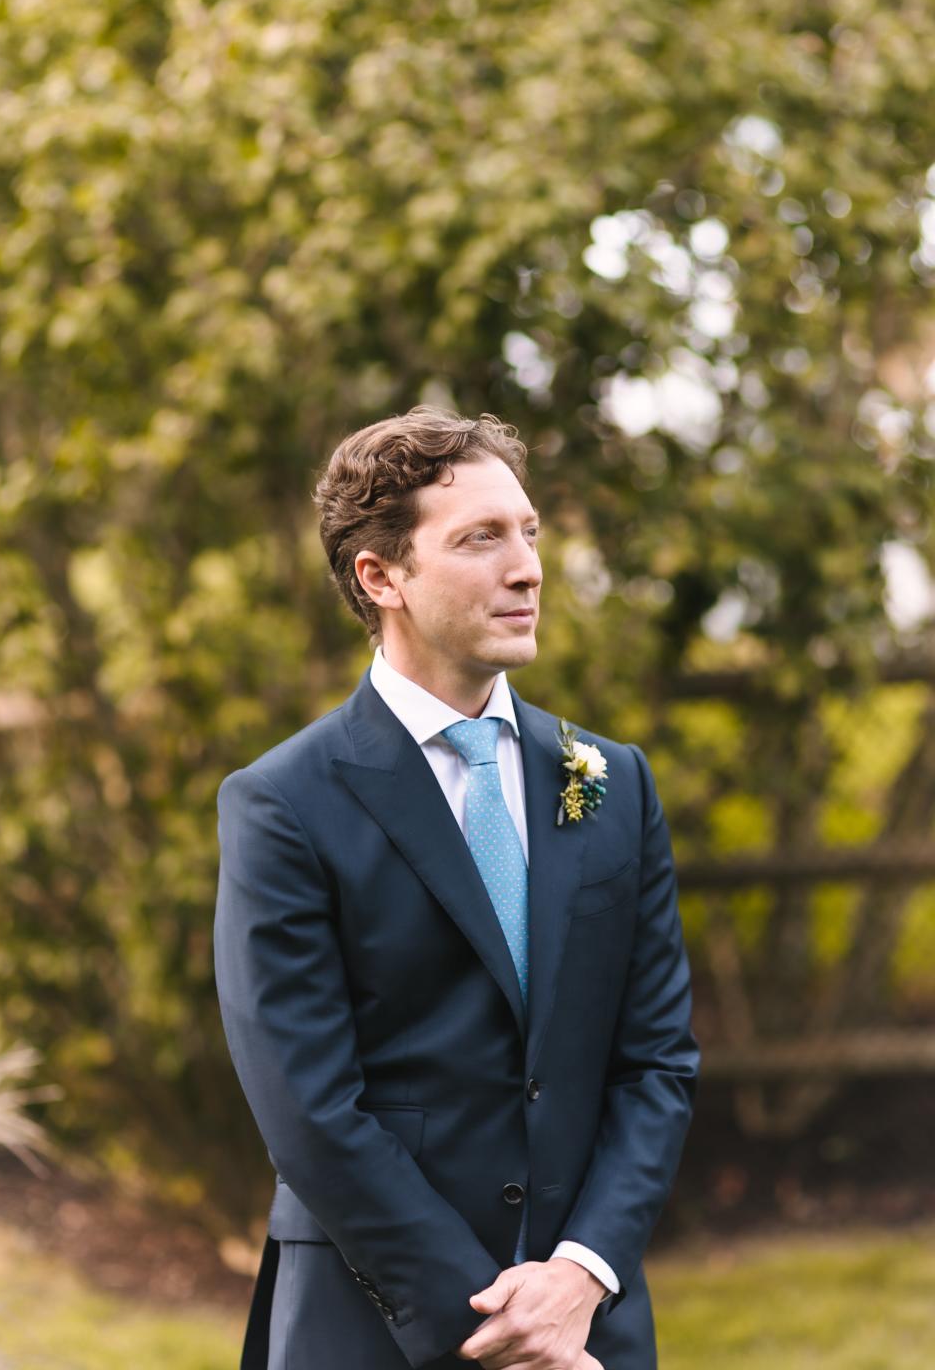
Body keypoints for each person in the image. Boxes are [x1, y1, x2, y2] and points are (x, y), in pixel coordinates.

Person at [214, 406, 699, 1370]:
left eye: (528, 533)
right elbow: (309, 1108)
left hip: (587, 1321)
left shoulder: (611, 781)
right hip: (374, 1323)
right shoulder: (282, 803)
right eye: (481, 539)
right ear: (381, 575)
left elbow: (657, 1065)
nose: (526, 568)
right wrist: (498, 1331)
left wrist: (580, 1276)